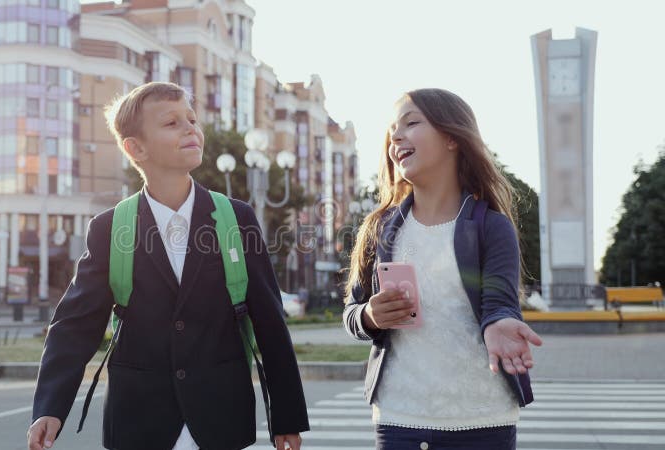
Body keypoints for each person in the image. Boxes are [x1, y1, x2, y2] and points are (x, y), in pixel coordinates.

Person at [28, 82, 308, 450]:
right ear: (135, 148)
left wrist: (285, 416)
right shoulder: (111, 229)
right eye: (172, 123)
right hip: (139, 424)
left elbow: (269, 321)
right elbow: (75, 325)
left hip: (221, 419)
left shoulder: (236, 219)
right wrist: (50, 406)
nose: (191, 128)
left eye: (192, 119)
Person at [342, 88, 543, 450]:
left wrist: (499, 325)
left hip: (483, 417)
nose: (396, 137)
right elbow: (352, 313)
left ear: (452, 137)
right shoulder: (379, 229)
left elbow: (500, 302)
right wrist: (370, 315)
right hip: (400, 416)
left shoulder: (492, 226)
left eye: (412, 123)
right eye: (392, 130)